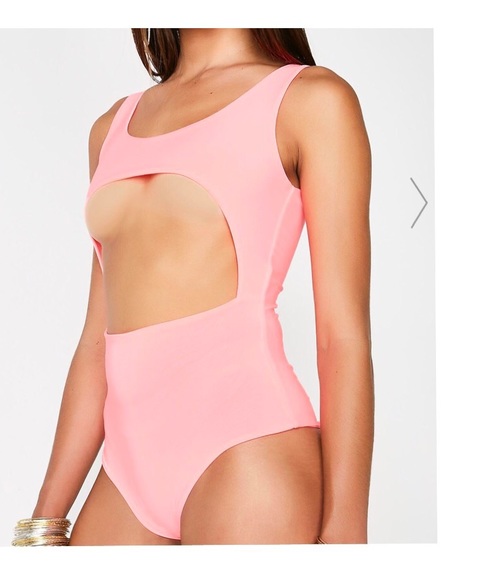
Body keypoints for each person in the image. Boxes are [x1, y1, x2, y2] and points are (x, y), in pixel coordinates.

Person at [24, 28, 374, 546]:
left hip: (248, 444)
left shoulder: (310, 100)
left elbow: (340, 336)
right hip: (127, 471)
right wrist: (42, 524)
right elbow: (97, 342)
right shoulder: (111, 128)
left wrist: (347, 531)